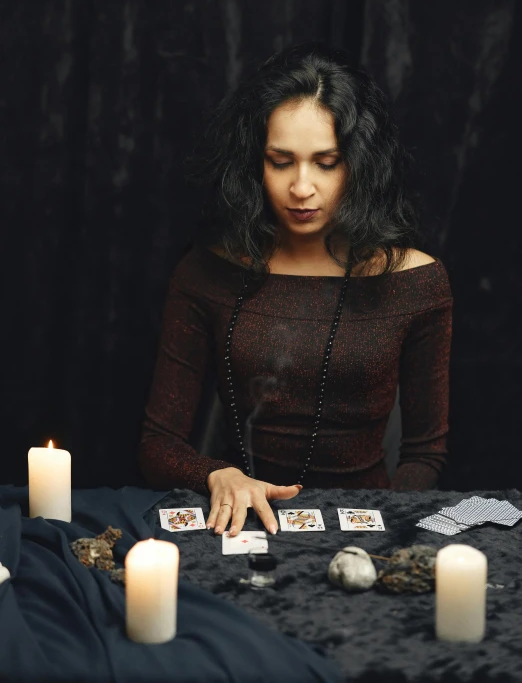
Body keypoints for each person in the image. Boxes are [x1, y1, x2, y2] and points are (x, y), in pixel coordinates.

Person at [138, 41, 453, 539]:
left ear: (359, 164)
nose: (301, 187)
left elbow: (424, 452)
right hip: (235, 525)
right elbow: (159, 444)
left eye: (325, 162)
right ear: (254, 164)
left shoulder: (417, 282)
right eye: (281, 161)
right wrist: (217, 475)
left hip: (365, 526)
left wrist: (378, 527)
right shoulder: (205, 271)